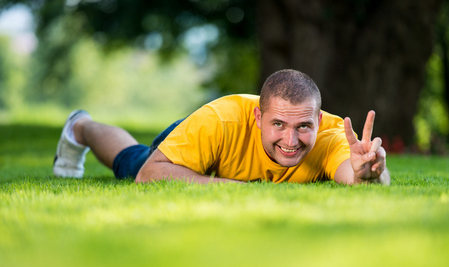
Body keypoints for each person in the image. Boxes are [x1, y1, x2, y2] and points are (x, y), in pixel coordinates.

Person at [53, 69, 390, 185]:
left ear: (318, 121)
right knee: (132, 162)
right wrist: (233, 187)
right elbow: (150, 175)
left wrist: (369, 173)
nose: (291, 140)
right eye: (278, 125)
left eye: (303, 126)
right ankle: (80, 126)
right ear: (258, 119)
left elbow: (354, 176)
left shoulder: (329, 137)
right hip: (200, 134)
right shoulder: (221, 121)